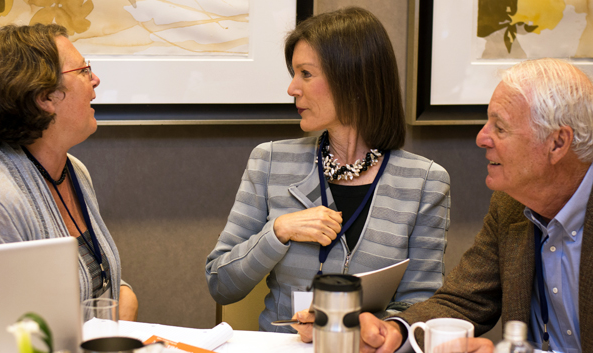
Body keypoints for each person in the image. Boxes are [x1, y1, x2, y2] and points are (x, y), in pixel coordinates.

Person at [205, 7, 450, 333]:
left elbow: (421, 306)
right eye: (294, 73)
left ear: (353, 79)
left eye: (306, 74)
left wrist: (354, 326)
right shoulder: (270, 161)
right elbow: (220, 283)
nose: (292, 88)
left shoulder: (425, 182)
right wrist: (277, 231)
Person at [350, 58, 593, 353]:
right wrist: (396, 330)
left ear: (557, 143)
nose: (481, 138)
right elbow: (464, 300)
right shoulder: (511, 204)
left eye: (500, 128)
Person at [0, 24, 138, 321]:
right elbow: (15, 327)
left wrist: (125, 297)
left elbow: (100, 281)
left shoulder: (74, 171)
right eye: (84, 70)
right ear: (45, 96)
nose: (95, 80)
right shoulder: (0, 199)